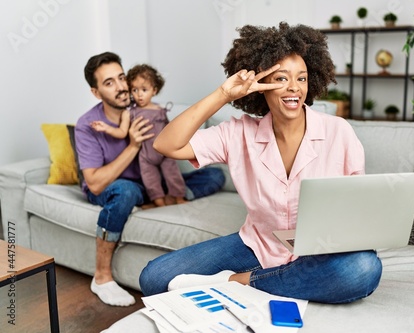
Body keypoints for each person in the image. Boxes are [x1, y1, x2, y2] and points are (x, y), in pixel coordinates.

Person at [139, 22, 382, 304]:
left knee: (363, 270)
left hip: (322, 250)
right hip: (259, 244)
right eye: (281, 79)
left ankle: (235, 283)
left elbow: (359, 209)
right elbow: (166, 144)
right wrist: (224, 95)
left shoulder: (339, 132)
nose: (294, 88)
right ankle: (285, 281)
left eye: (301, 78)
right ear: (261, 85)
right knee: (154, 278)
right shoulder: (239, 133)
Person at [76, 52, 225, 307]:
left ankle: (148, 202)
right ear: (96, 92)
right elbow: (95, 183)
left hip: (149, 184)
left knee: (214, 174)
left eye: (121, 77)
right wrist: (133, 145)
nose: (121, 87)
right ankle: (101, 277)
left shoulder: (142, 110)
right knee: (125, 191)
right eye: (109, 83)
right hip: (113, 187)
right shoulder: (88, 124)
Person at [90, 64, 188, 206]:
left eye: (144, 90)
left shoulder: (160, 110)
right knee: (150, 180)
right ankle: (159, 202)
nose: (139, 94)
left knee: (174, 176)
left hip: (165, 153)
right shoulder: (129, 112)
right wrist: (106, 128)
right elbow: (122, 132)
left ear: (154, 90)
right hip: (145, 156)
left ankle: (178, 197)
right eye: (134, 90)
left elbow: (169, 130)